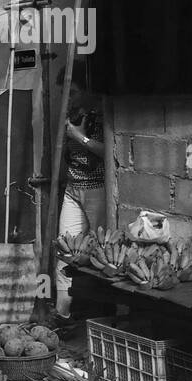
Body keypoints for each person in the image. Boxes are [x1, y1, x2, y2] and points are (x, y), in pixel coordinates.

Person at [56, 80, 105, 320]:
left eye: (73, 92)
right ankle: (62, 315)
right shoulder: (70, 116)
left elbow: (107, 151)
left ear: (85, 91)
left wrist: (78, 136)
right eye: (65, 92)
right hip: (73, 188)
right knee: (65, 250)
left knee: (100, 251)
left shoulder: (99, 116)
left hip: (96, 189)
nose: (69, 97)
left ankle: (98, 313)